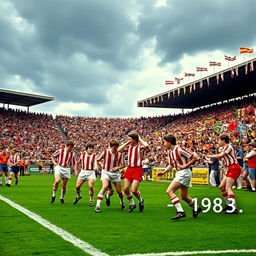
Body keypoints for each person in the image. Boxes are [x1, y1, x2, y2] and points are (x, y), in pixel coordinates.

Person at [157, 134, 201, 220]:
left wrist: (185, 166)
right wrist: (164, 172)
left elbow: (195, 157)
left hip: (184, 172)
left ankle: (180, 212)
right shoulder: (170, 152)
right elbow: (171, 164)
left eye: (164, 142)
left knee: (169, 191)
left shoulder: (179, 149)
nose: (164, 144)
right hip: (181, 173)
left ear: (169, 142)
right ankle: (196, 208)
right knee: (184, 197)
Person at [205, 134, 242, 214]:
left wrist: (209, 155)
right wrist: (217, 150)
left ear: (223, 140)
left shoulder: (228, 146)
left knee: (228, 188)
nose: (218, 142)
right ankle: (229, 205)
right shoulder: (225, 147)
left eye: (219, 140)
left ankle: (233, 208)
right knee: (222, 187)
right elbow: (221, 156)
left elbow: (220, 156)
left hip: (234, 167)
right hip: (230, 168)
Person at [118, 131, 149, 212]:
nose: (128, 140)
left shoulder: (140, 147)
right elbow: (119, 150)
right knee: (125, 189)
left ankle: (140, 200)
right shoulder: (129, 147)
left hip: (137, 169)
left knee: (134, 190)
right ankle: (132, 204)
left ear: (135, 140)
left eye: (130, 139)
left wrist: (140, 138)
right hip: (129, 169)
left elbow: (146, 145)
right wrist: (127, 142)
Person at [95, 139, 126, 213]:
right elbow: (97, 159)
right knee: (105, 186)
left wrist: (117, 167)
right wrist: (98, 166)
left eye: (116, 147)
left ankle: (122, 202)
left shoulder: (120, 154)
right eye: (114, 147)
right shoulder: (105, 152)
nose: (116, 149)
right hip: (106, 172)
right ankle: (98, 206)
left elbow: (124, 164)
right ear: (110, 147)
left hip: (115, 174)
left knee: (119, 191)